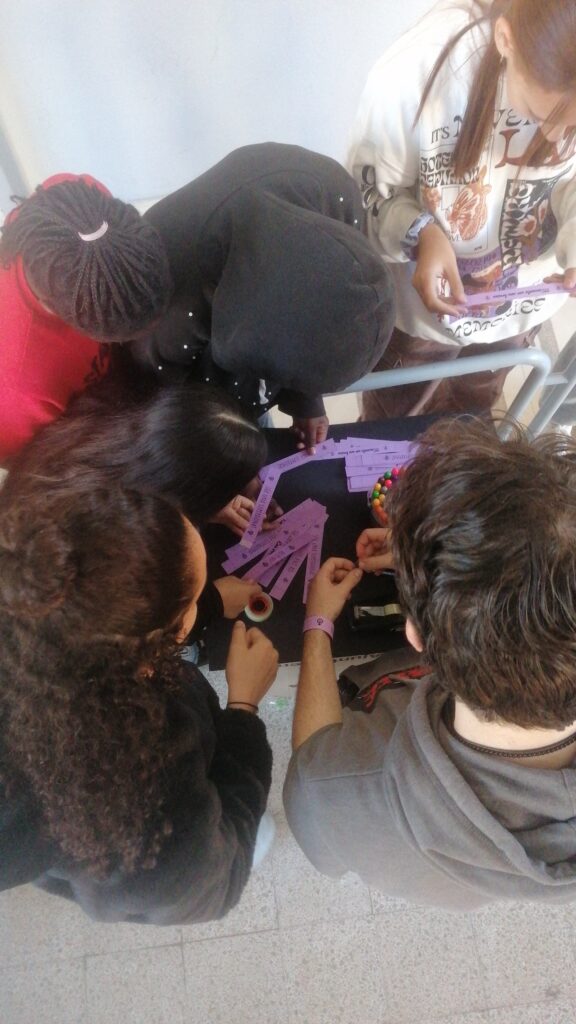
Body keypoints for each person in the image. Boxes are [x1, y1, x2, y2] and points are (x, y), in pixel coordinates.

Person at [284, 418, 576, 909]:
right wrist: (429, 569)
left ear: (415, 635)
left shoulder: (339, 789)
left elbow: (312, 757)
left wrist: (317, 626)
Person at [0, 463, 278, 923]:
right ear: (145, 651)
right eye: (192, 599)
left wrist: (205, 603)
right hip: (180, 846)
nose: (200, 600)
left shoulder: (28, 598)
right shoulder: (138, 807)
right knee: (253, 835)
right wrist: (243, 710)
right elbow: (213, 885)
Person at [349, 0, 576, 420]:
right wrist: (420, 232)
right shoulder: (419, 68)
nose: (553, 137)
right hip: (420, 318)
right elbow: (366, 196)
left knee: (471, 415)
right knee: (393, 422)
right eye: (538, 115)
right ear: (505, 39)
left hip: (517, 313)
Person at [128, 142, 396, 452]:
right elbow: (167, 422)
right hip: (190, 396)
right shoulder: (164, 312)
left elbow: (316, 305)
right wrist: (231, 458)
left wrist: (306, 401)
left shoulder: (334, 197)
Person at [7, 377, 270, 626]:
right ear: (188, 493)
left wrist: (211, 506)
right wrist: (214, 603)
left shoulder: (111, 432)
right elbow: (141, 627)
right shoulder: (117, 546)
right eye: (228, 490)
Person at [0, 173, 172, 466]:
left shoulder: (80, 202)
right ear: (59, 312)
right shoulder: (17, 394)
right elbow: (38, 470)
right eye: (116, 332)